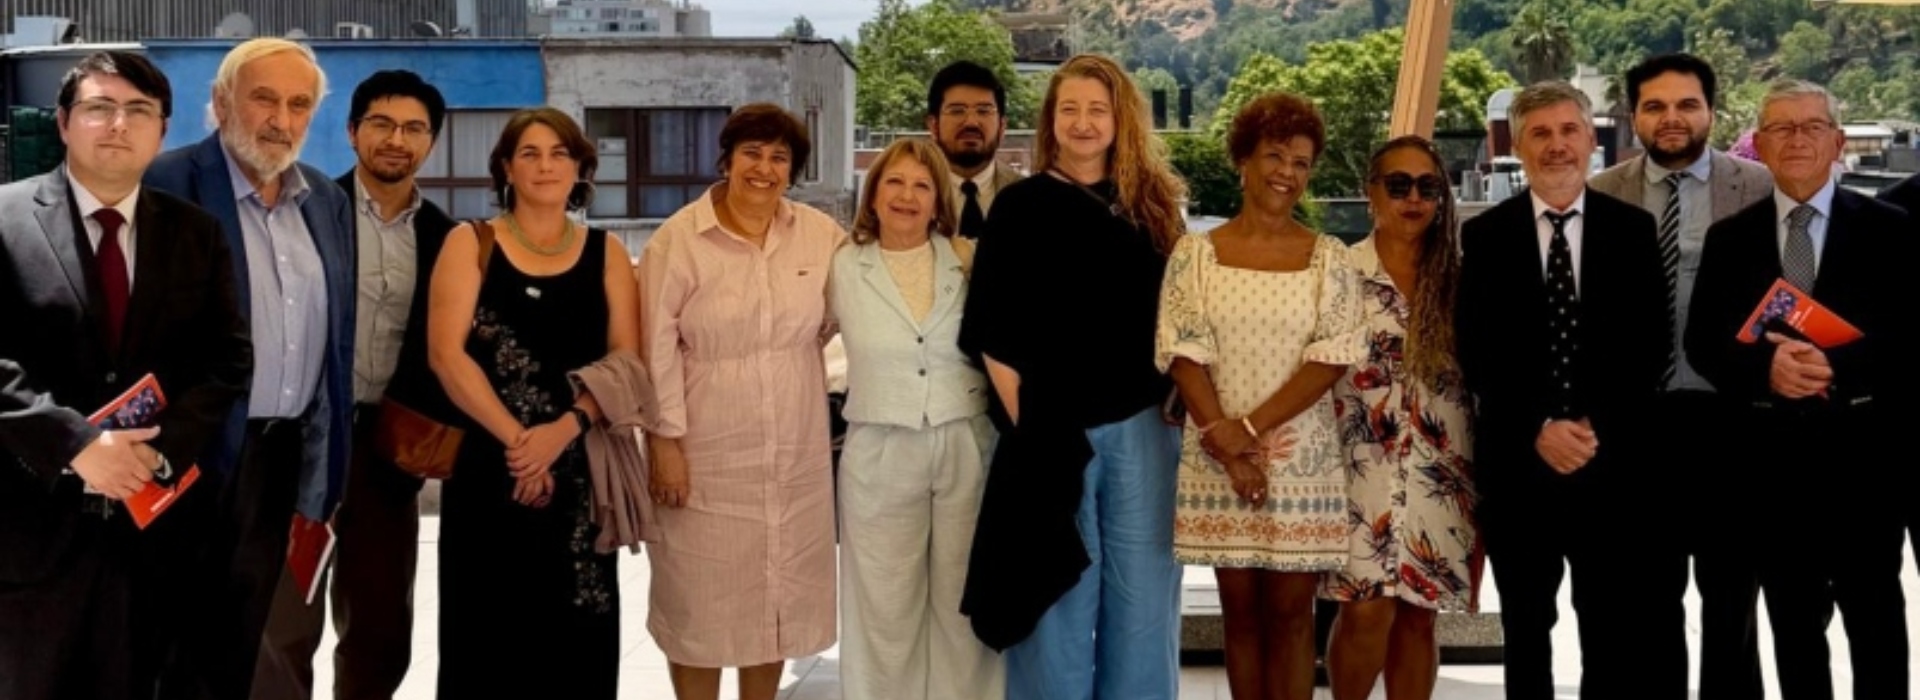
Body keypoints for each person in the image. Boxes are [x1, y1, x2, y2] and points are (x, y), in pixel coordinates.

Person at [0, 50, 250, 700]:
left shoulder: (197, 233)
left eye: (139, 111)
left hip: (154, 537)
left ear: (162, 132)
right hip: (28, 535)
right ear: (63, 122)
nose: (119, 124)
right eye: (100, 107)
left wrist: (156, 455)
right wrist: (76, 445)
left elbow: (226, 358)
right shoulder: (5, 219)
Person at [958, 53, 1188, 700]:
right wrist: (1030, 430)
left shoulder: (1154, 209)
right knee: (1054, 602)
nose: (1083, 123)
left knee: (1144, 604)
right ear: (1050, 120)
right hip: (1050, 433)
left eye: (1097, 110)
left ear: (1121, 120)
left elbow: (1185, 317)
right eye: (1069, 109)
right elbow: (992, 333)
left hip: (1143, 430)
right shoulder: (1018, 207)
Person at [143, 37, 356, 700]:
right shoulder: (164, 183)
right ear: (220, 102)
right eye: (264, 98)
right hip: (190, 453)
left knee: (242, 643)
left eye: (299, 104)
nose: (281, 119)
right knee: (168, 650)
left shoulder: (325, 200)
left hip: (281, 458)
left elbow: (336, 344)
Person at [1686, 79, 1912, 700]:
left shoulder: (1894, 230)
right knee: (1793, 630)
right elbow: (1703, 342)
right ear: (1760, 145)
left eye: (1812, 126)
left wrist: (1839, 364)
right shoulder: (1730, 238)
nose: (1797, 139)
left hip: (1868, 466)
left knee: (1877, 625)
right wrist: (1766, 369)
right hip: (1771, 470)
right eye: (1781, 128)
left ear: (1838, 142)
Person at [1453, 81, 1669, 700]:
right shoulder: (1485, 236)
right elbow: (1478, 350)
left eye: (1568, 130)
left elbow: (1649, 346)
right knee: (1527, 629)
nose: (1556, 145)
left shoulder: (1633, 230)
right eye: (1540, 134)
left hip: (1611, 466)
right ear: (1518, 146)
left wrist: (1592, 428)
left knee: (1609, 628)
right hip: (1520, 470)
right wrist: (1538, 427)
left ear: (1589, 138)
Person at [246, 69, 457, 700]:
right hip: (303, 440)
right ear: (352, 131)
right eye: (382, 124)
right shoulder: (305, 211)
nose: (397, 139)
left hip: (389, 450)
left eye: (414, 128)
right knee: (284, 620)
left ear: (431, 141)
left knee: (380, 624)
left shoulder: (447, 236)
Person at [1154, 91, 1363, 700]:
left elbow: (1330, 359)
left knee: (1294, 617)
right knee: (1240, 617)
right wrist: (1227, 444)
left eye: (1301, 163)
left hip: (1300, 466)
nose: (1287, 173)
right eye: (1274, 155)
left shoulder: (1328, 259)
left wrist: (1244, 433)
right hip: (1217, 458)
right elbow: (1183, 353)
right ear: (1242, 160)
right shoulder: (1194, 254)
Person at [425, 107, 638, 699]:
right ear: (505, 168)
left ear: (580, 168)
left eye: (559, 154)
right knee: (485, 642)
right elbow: (446, 355)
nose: (546, 166)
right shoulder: (470, 242)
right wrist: (521, 445)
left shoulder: (607, 252)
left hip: (579, 474)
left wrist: (563, 430)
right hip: (488, 470)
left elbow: (626, 364)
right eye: (530, 154)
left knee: (578, 644)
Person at [637, 102, 845, 700]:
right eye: (752, 153)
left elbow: (835, 317)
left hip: (793, 451)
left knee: (775, 601)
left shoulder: (820, 236)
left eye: (779, 157)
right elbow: (654, 348)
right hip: (704, 452)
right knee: (698, 607)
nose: (764, 168)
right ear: (726, 159)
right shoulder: (679, 240)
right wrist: (665, 444)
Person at [1586, 52, 1775, 700]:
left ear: (1711, 113)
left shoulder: (1759, 186)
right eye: (1656, 106)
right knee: (1647, 602)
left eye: (1687, 104)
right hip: (1637, 426)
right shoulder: (1601, 194)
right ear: (1633, 115)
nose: (1672, 118)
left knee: (1733, 600)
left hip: (1733, 420)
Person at [829, 137, 1003, 700]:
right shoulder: (841, 266)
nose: (907, 196)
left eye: (922, 185)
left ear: (938, 201)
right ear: (873, 193)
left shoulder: (967, 259)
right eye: (895, 182)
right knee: (883, 603)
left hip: (965, 439)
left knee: (964, 601)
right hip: (879, 446)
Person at [1321, 135, 1477, 700]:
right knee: (1364, 610)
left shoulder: (1462, 279)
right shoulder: (1337, 273)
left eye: (1428, 187)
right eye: (1398, 185)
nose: (1413, 198)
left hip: (1442, 473)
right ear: (1371, 193)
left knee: (1419, 616)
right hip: (1357, 473)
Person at [925, 60, 1023, 239]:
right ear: (933, 125)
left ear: (1002, 126)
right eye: (957, 111)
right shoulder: (909, 195)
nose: (971, 122)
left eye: (984, 111)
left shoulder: (1030, 197)